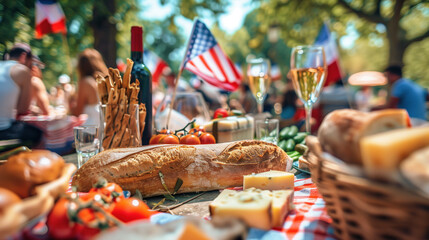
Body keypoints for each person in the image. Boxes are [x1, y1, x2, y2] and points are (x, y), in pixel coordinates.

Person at [0, 43, 43, 147]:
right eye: (30, 63)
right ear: (23, 56)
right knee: (39, 133)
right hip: (3, 131)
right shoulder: (23, 71)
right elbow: (23, 110)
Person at [69, 48, 108, 126]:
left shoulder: (85, 82)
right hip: (106, 128)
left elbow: (77, 113)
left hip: (91, 130)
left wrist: (70, 101)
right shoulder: (106, 81)